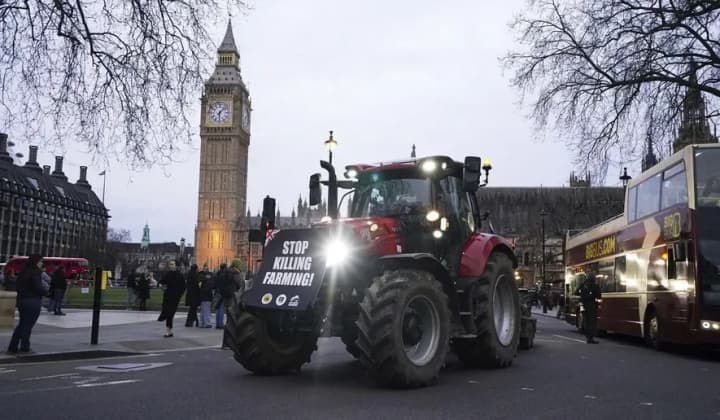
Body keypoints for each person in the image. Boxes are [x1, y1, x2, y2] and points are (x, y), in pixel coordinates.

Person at [7, 254, 47, 355]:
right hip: (33, 301)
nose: (42, 263)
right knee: (27, 326)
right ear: (36, 262)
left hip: (22, 300)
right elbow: (37, 287)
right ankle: (24, 347)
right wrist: (47, 292)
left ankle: (13, 346)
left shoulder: (23, 272)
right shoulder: (36, 273)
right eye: (41, 261)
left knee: (22, 324)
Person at [157, 260, 186, 337]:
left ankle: (169, 330)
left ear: (176, 266)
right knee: (168, 313)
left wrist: (179, 295)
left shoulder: (180, 275)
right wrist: (161, 286)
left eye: (172, 264)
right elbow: (162, 282)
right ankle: (168, 330)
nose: (170, 265)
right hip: (167, 296)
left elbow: (183, 287)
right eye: (170, 264)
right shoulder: (167, 274)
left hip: (175, 298)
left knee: (170, 314)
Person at [576, 267, 602, 344]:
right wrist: (592, 296)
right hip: (591, 305)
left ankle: (587, 336)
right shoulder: (595, 285)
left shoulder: (583, 284)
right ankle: (590, 338)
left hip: (583, 305)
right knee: (592, 321)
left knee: (585, 320)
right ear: (593, 278)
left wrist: (583, 294)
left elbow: (576, 292)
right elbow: (599, 296)